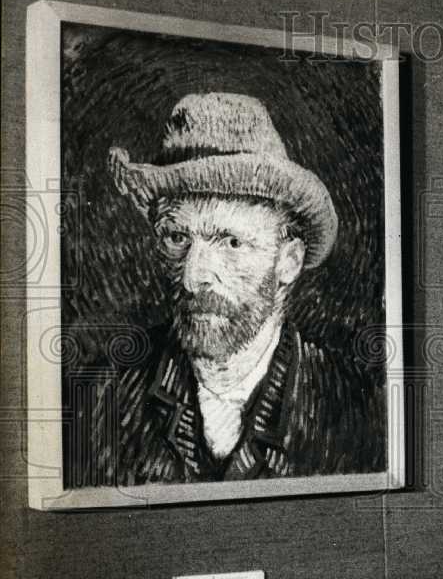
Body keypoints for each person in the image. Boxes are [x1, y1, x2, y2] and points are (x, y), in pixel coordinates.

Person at [70, 92, 384, 486]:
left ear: (288, 261)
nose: (193, 275)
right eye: (177, 238)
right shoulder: (97, 400)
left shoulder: (363, 411)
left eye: (232, 242)